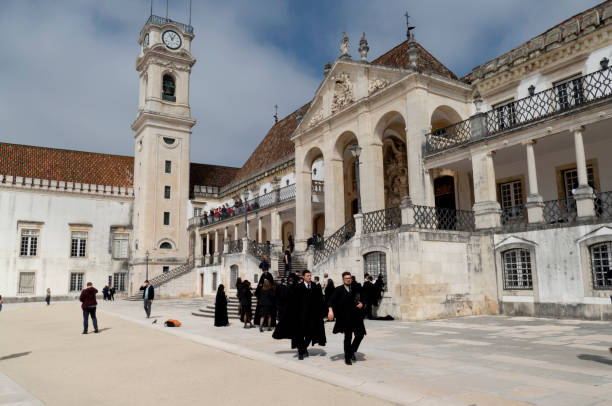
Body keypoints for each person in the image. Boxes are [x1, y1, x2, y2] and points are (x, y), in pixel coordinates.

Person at [274, 270, 326, 360]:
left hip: (312, 315)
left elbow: (320, 300)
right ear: (303, 277)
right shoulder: (298, 287)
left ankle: (303, 348)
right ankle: (301, 352)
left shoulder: (315, 286)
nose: (309, 277)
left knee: (310, 333)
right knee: (300, 334)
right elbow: (293, 301)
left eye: (310, 275)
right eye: (307, 276)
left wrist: (323, 312)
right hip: (301, 315)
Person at [328, 271, 366, 365]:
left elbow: (364, 297)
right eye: (346, 278)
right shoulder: (338, 290)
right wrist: (330, 311)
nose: (348, 280)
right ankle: (347, 357)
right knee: (348, 337)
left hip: (357, 317)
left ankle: (351, 351)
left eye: (350, 278)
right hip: (345, 318)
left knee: (360, 335)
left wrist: (362, 304)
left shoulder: (356, 288)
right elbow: (331, 301)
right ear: (343, 279)